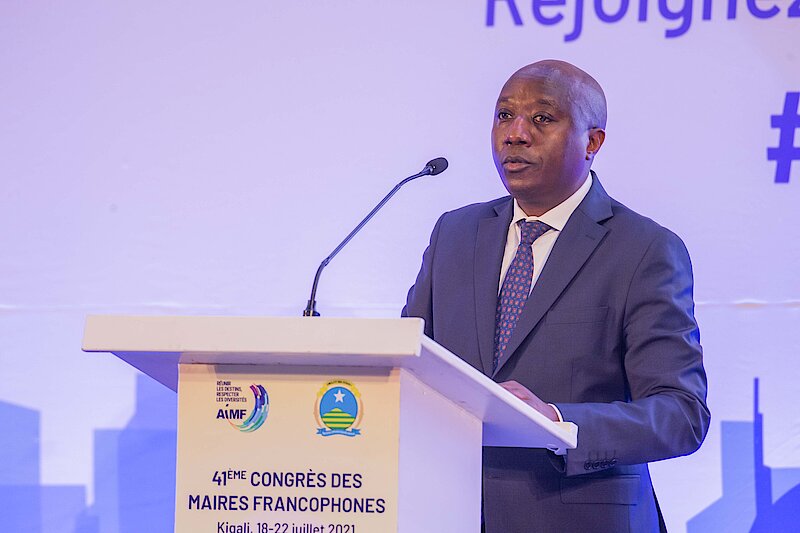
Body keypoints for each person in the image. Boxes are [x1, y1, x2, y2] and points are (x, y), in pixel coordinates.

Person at [402, 60, 710, 532]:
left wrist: (556, 421)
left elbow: (681, 414)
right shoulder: (455, 234)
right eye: (504, 115)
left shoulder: (644, 249)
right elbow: (409, 369)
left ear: (592, 143)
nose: (515, 134)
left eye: (542, 118)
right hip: (449, 513)